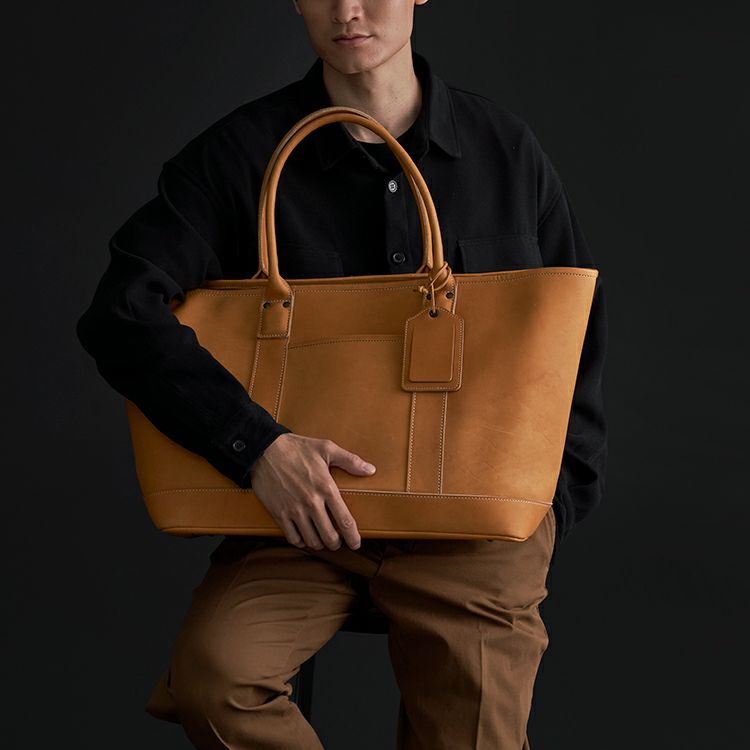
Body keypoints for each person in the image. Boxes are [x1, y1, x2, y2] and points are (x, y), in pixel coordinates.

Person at [76, 1, 607, 747]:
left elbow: (574, 334)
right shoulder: (240, 156)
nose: (348, 9)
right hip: (303, 525)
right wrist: (257, 448)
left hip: (473, 528)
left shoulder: (505, 151)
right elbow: (119, 312)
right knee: (216, 679)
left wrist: (546, 511)